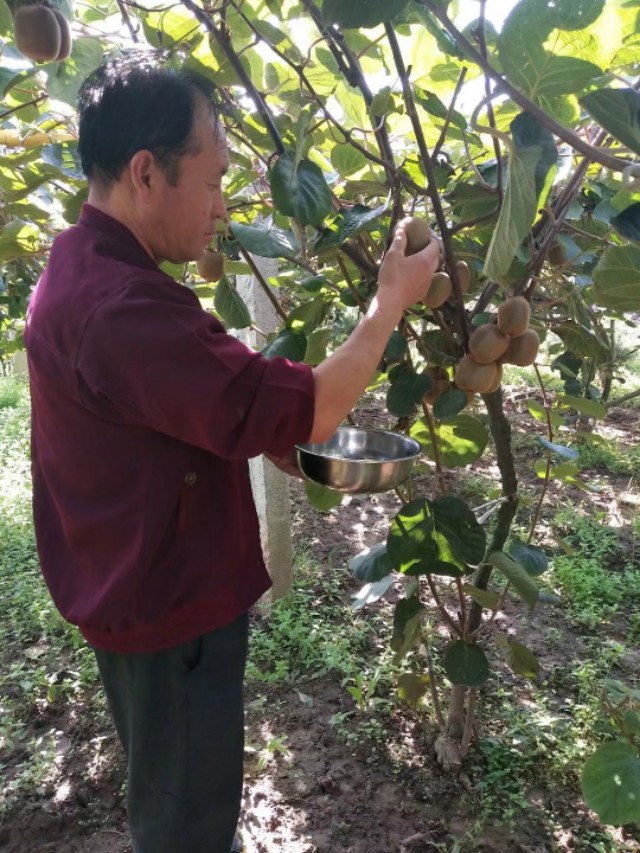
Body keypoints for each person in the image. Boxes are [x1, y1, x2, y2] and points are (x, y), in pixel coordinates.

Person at [24, 58, 440, 853]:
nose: (222, 207)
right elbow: (311, 406)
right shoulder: (125, 307)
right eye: (213, 181)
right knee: (185, 823)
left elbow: (168, 409)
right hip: (171, 612)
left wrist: (262, 430)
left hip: (132, 587)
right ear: (146, 173)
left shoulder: (82, 265)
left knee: (174, 792)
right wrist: (390, 302)